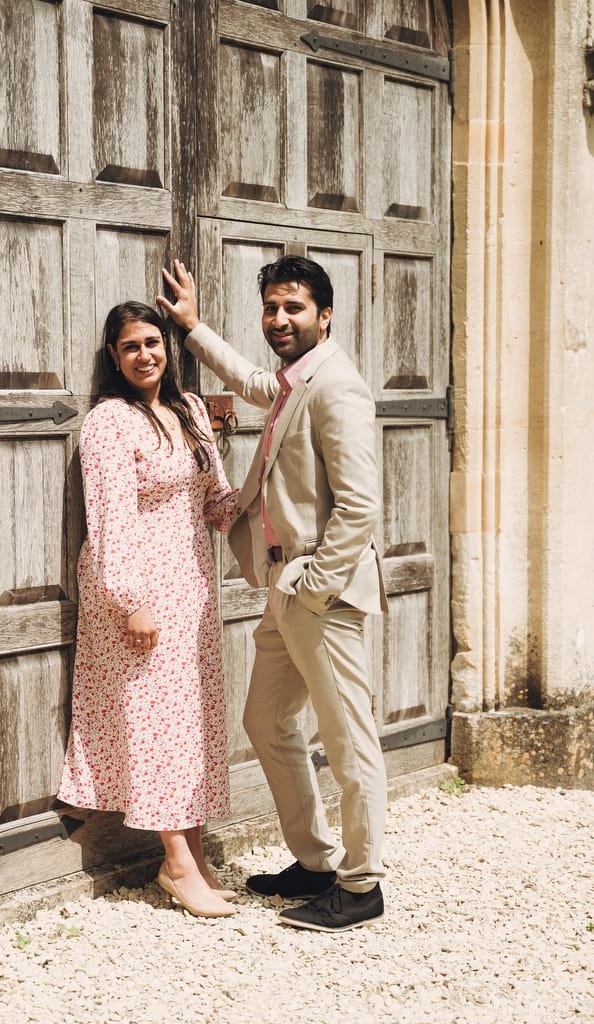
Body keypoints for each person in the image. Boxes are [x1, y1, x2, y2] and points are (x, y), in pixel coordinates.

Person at [157, 257, 389, 933]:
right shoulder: (296, 381)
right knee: (265, 721)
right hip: (287, 590)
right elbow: (255, 381)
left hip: (322, 594)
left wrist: (317, 585)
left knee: (349, 741)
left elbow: (360, 505)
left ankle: (362, 883)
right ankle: (316, 861)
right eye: (272, 308)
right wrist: (193, 327)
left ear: (326, 314)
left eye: (295, 308)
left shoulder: (337, 387)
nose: (280, 320)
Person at [58, 301, 239, 919]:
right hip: (136, 591)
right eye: (131, 346)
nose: (145, 355)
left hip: (191, 589)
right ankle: (176, 863)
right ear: (115, 356)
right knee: (155, 723)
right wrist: (129, 600)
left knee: (188, 722)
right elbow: (107, 520)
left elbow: (217, 503)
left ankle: (194, 850)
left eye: (154, 342)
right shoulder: (110, 422)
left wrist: (277, 470)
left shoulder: (189, 412)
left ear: (170, 348)